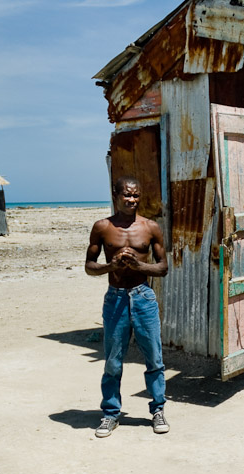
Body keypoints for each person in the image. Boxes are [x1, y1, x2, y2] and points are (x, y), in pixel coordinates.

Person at [85, 175, 169, 438]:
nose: (132, 200)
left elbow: (163, 267)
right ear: (116, 195)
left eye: (136, 195)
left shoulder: (150, 227)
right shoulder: (102, 227)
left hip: (143, 297)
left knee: (154, 358)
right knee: (113, 361)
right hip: (116, 298)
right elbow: (89, 266)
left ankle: (158, 410)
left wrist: (139, 266)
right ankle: (110, 414)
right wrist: (111, 266)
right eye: (127, 195)